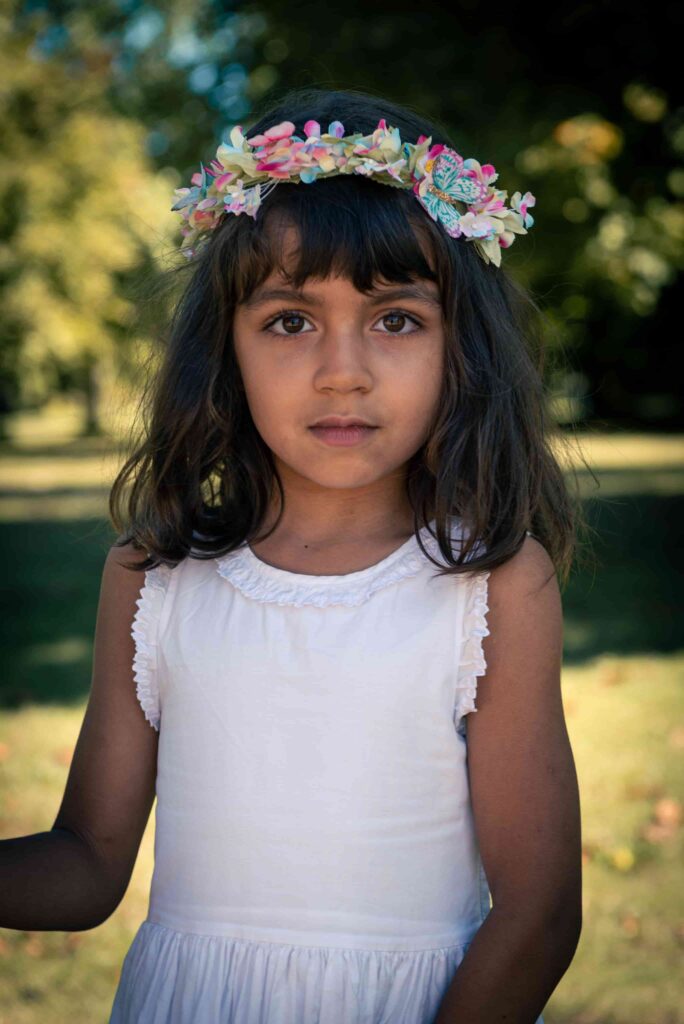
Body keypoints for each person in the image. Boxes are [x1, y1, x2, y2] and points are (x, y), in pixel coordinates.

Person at [0, 86, 584, 1023]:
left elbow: (540, 914)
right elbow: (87, 867)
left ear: (459, 346)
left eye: (395, 318)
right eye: (288, 321)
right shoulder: (153, 579)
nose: (341, 369)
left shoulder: (493, 586)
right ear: (222, 351)